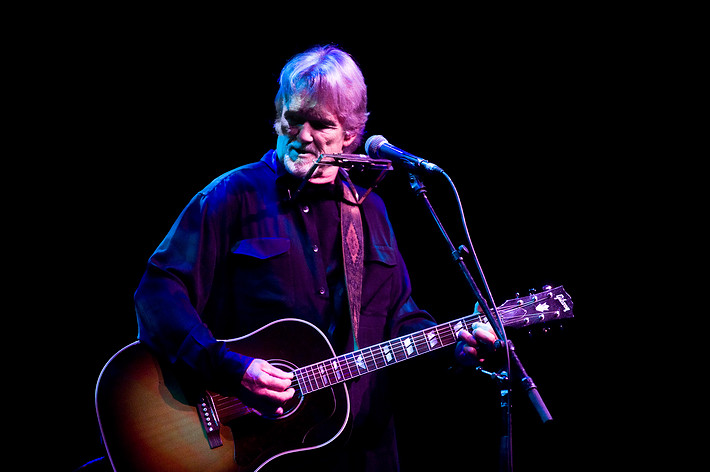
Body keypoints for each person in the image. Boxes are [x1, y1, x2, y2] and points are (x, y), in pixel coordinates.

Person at [134, 44, 496, 472]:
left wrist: (457, 343)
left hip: (362, 452)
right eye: (293, 119)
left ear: (351, 133)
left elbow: (399, 319)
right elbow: (158, 292)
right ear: (278, 116)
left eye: (321, 124)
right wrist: (228, 368)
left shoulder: (369, 209)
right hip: (257, 449)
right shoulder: (232, 196)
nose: (303, 135)